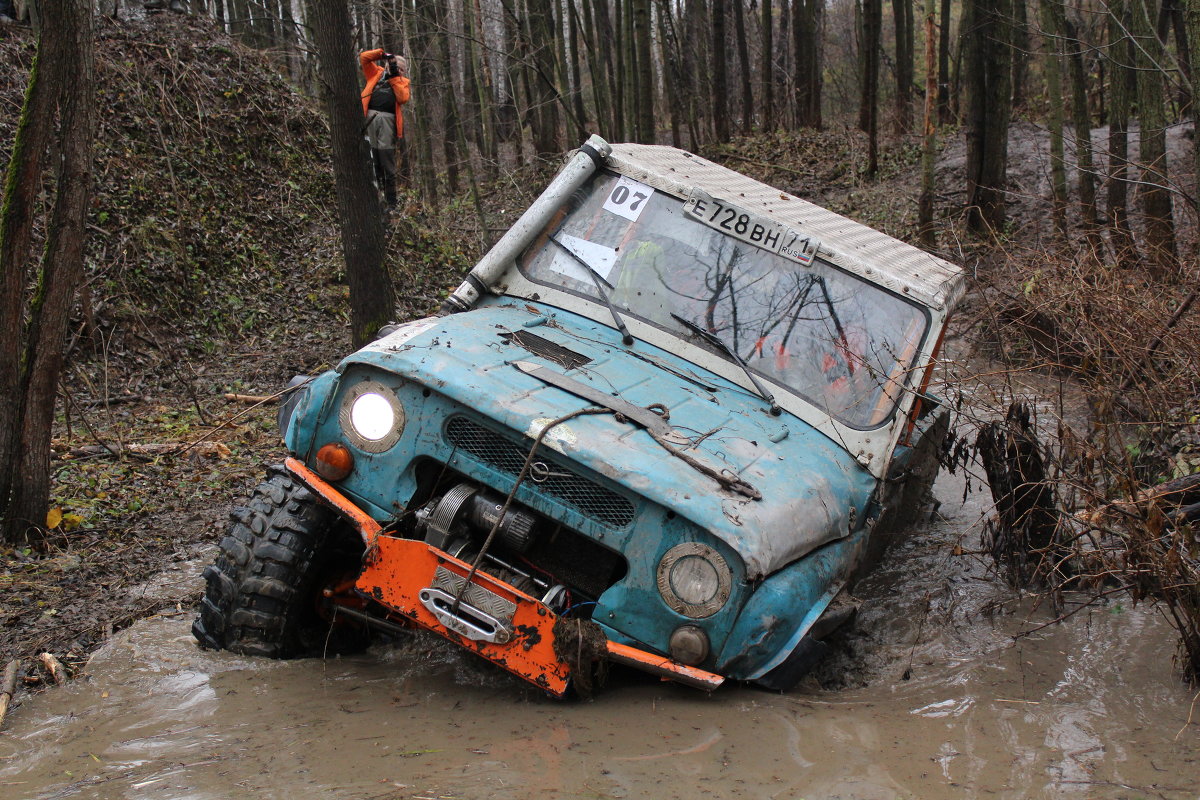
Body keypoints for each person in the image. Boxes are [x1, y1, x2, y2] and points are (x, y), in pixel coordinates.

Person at [359, 48, 411, 209]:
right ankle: (376, 195)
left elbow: (402, 98)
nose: (398, 70)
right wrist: (382, 55)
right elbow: (364, 58)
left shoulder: (402, 83)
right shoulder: (376, 73)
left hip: (387, 122)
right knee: (372, 157)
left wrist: (395, 75)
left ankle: (391, 201)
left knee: (386, 159)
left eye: (402, 69)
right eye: (396, 66)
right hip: (369, 119)